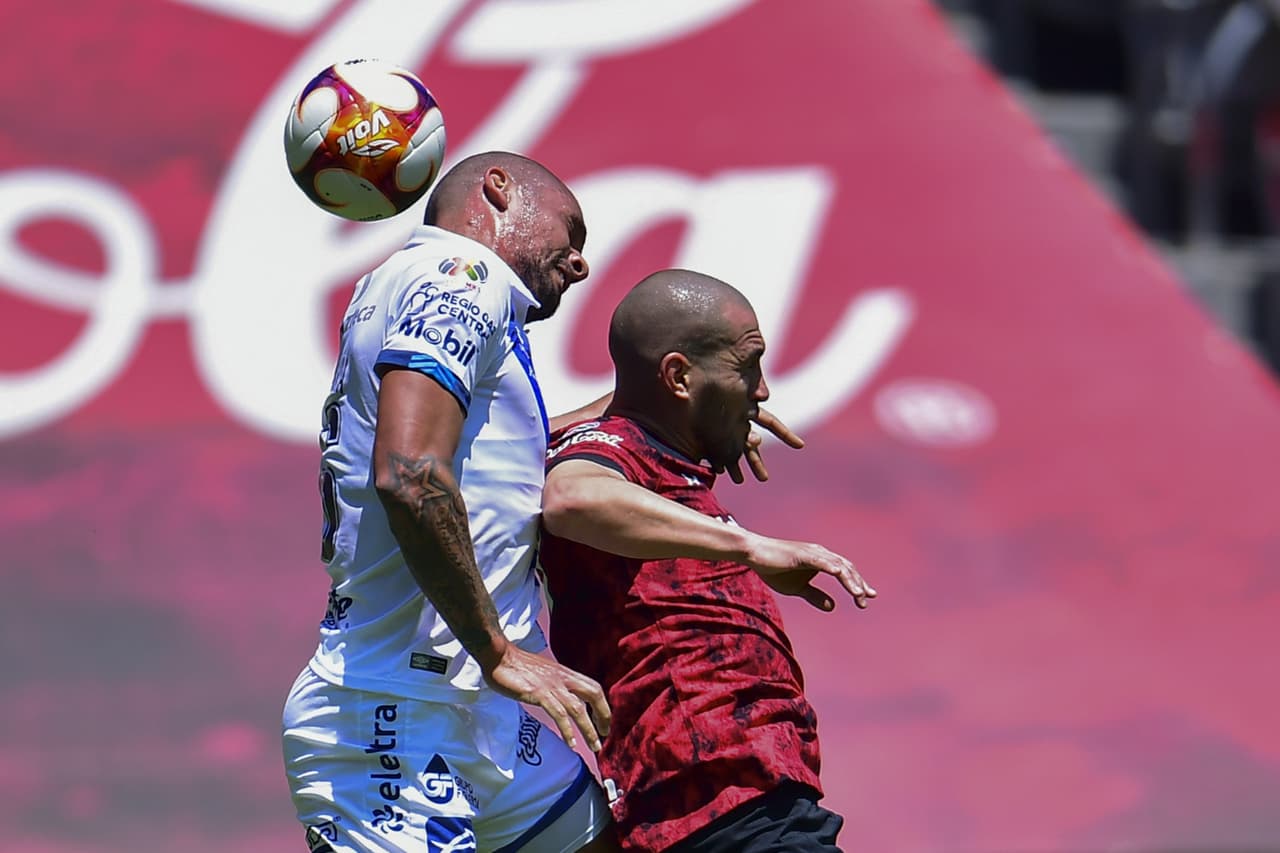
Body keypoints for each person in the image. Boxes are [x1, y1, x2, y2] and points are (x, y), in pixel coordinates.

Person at [281, 151, 622, 853]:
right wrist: (497, 649)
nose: (581, 263)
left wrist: (648, 411)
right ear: (498, 190)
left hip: (479, 714)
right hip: (395, 713)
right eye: (572, 232)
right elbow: (409, 471)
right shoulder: (461, 275)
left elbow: (497, 455)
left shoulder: (411, 284)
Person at [538, 269, 877, 852]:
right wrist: (748, 544)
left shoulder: (650, 454)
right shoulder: (612, 452)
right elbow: (572, 498)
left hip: (741, 807)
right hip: (720, 807)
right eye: (746, 366)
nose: (763, 390)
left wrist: (714, 402)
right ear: (677, 376)